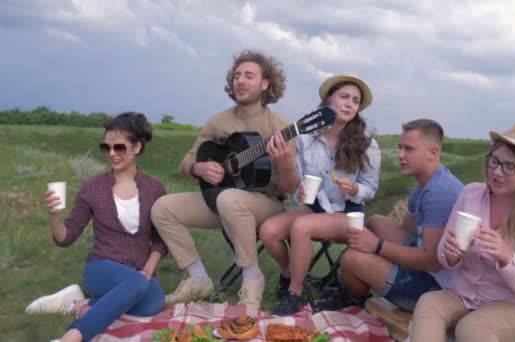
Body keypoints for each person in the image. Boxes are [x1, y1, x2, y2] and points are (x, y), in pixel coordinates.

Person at [151, 49, 299, 310]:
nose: (240, 81)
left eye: (249, 76)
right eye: (237, 76)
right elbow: (186, 162)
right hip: (223, 199)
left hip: (265, 203)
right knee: (162, 208)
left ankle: (252, 279)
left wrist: (285, 162)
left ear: (265, 84)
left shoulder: (281, 127)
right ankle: (198, 279)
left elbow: (290, 187)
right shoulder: (218, 121)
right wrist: (200, 168)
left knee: (229, 199)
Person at [409, 121, 515, 342]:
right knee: (429, 303)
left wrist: (507, 259)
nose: (496, 171)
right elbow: (443, 256)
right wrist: (451, 255)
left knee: (472, 328)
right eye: (495, 160)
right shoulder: (471, 194)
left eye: (510, 167)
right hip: (463, 296)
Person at [33, 112, 168, 342]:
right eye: (106, 148)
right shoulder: (92, 187)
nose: (112, 154)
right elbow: (65, 237)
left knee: (154, 302)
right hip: (102, 267)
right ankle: (73, 336)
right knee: (136, 286)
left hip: (138, 271)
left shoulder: (155, 188)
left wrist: (147, 270)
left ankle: (79, 302)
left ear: (136, 148)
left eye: (119, 148)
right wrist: (54, 215)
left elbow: (160, 240)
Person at [258, 73, 382, 316]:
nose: (349, 104)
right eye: (344, 97)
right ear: (328, 101)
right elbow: (296, 183)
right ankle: (290, 274)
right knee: (268, 231)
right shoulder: (306, 137)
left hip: (346, 213)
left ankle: (293, 294)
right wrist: (300, 189)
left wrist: (356, 189)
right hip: (315, 207)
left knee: (302, 227)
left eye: (355, 101)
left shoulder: (367, 143)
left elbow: (370, 187)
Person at [338, 119, 463, 311]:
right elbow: (406, 231)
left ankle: (354, 305)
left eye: (409, 149)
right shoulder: (427, 183)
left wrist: (376, 246)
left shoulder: (440, 193)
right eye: (400, 148)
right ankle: (367, 279)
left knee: (351, 259)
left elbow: (432, 261)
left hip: (437, 288)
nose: (401, 155)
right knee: (376, 222)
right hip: (428, 267)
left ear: (433, 153)